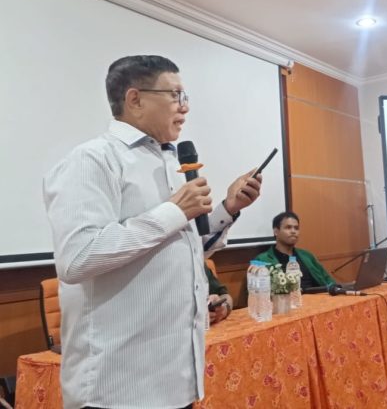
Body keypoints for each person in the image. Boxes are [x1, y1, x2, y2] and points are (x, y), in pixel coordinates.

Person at [43, 55, 261, 409]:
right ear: (135, 99)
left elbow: (181, 248)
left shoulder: (169, 161)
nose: (184, 107)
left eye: (185, 96)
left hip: (175, 377)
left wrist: (229, 208)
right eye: (175, 95)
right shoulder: (92, 160)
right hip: (118, 388)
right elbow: (77, 258)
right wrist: (174, 211)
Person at [255, 211, 335, 289]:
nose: (293, 231)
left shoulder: (307, 256)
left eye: (296, 228)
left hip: (318, 296)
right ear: (276, 232)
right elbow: (256, 291)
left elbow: (328, 280)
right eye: (288, 227)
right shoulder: (262, 260)